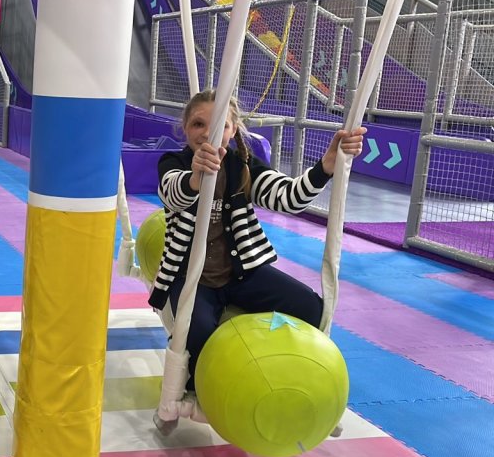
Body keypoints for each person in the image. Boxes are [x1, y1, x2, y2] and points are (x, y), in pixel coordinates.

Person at [148, 89, 365, 392]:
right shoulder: (174, 162)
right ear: (185, 127)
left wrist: (326, 166)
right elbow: (172, 194)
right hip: (191, 279)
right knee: (196, 334)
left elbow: (289, 197)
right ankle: (197, 389)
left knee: (312, 309)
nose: (208, 133)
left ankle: (278, 372)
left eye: (220, 124)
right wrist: (196, 177)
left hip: (241, 273)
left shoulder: (243, 166)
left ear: (233, 130)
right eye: (198, 124)